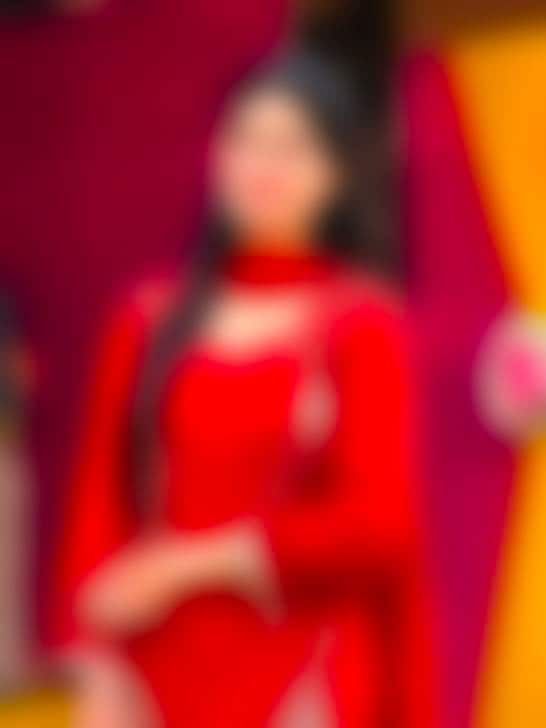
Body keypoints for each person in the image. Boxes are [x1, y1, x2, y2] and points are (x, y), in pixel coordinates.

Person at [51, 25, 437, 728]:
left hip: (307, 670)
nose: (264, 166)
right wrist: (96, 664)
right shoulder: (148, 319)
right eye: (246, 141)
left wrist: (194, 563)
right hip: (154, 676)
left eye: (290, 147)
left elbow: (378, 525)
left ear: (337, 174)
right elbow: (98, 508)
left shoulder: (360, 326)